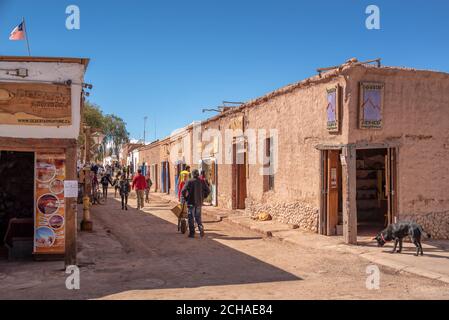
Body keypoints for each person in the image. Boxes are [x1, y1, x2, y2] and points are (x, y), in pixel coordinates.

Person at [181, 169, 210, 238]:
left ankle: (192, 233)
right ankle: (200, 227)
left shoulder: (189, 181)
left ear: (192, 174)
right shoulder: (202, 181)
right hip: (199, 202)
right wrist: (203, 197)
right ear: (198, 174)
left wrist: (186, 198)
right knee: (198, 217)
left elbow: (183, 190)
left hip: (191, 202)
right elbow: (208, 190)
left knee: (191, 218)